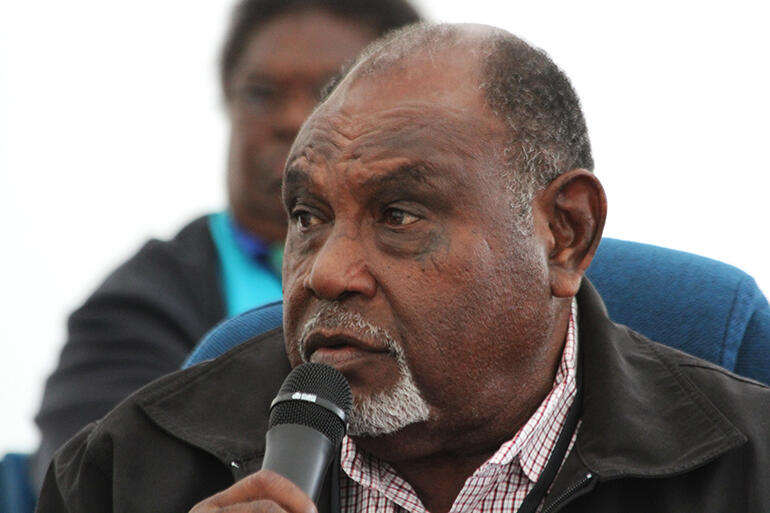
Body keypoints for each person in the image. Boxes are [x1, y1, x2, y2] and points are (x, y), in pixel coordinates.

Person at [37, 23, 770, 513]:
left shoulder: (748, 467)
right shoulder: (125, 471)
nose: (327, 273)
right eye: (308, 217)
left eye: (398, 215)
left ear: (564, 234)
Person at [30, 0, 421, 489]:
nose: (292, 118)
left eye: (330, 91)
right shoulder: (137, 307)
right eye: (262, 94)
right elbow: (93, 483)